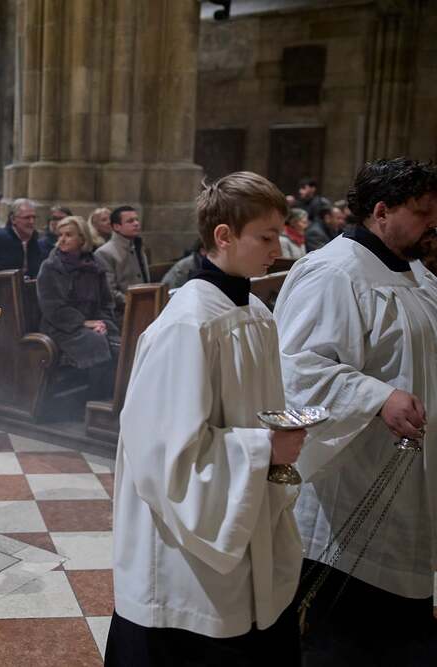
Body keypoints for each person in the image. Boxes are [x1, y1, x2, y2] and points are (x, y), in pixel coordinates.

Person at [106, 171, 306, 666]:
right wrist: (264, 449)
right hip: (185, 558)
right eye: (265, 237)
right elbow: (163, 456)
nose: (277, 249)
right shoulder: (187, 324)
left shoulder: (254, 311)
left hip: (243, 515)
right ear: (224, 236)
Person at [274, 158, 437, 665]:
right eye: (423, 211)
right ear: (381, 212)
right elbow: (296, 368)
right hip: (351, 488)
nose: (433, 222)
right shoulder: (333, 272)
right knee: (344, 641)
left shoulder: (412, 270)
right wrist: (376, 397)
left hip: (407, 477)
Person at [36, 215, 120, 398]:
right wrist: (83, 323)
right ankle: (93, 400)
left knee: (117, 341)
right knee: (95, 342)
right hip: (61, 326)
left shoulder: (94, 265)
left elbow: (106, 302)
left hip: (92, 322)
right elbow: (52, 307)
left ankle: (113, 399)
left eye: (69, 235)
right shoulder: (51, 266)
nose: (62, 239)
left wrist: (103, 322)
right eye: (60, 235)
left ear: (82, 238)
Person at [94, 206, 150, 320]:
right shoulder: (105, 252)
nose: (136, 223)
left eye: (137, 220)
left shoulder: (137, 246)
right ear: (116, 226)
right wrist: (135, 303)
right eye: (130, 221)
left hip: (144, 309)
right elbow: (110, 291)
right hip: (121, 314)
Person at [0, 198, 44, 280]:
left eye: (34, 217)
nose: (32, 221)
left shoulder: (35, 242)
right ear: (13, 219)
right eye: (27, 217)